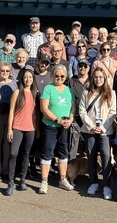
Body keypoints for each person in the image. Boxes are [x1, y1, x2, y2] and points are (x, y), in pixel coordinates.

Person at [79, 68, 117, 200]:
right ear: (92, 78)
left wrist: (102, 127)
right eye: (95, 77)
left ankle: (106, 185)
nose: (98, 79)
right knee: (91, 155)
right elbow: (82, 111)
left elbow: (113, 112)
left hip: (105, 130)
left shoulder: (111, 93)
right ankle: (93, 182)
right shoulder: (86, 93)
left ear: (105, 78)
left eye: (101, 77)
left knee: (106, 156)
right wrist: (91, 126)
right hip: (89, 129)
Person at [38, 64, 75, 194]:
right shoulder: (48, 88)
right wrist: (57, 120)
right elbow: (44, 108)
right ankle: (44, 181)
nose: (59, 78)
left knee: (63, 152)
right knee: (47, 152)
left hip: (64, 127)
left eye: (62, 76)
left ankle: (63, 179)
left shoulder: (69, 90)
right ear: (52, 76)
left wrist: (70, 119)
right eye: (57, 75)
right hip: (50, 126)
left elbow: (72, 107)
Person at [5, 68, 39, 196]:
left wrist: (38, 129)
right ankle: (10, 182)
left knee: (26, 155)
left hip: (31, 128)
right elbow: (12, 111)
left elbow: (37, 114)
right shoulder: (17, 92)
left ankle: (22, 180)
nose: (28, 79)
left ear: (33, 79)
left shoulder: (36, 93)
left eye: (30, 77)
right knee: (13, 154)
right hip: (17, 127)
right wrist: (9, 128)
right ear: (22, 78)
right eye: (26, 77)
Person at [68, 59, 90, 159]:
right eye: (80, 66)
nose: (82, 68)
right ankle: (70, 168)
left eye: (85, 66)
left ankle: (89, 168)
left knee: (89, 144)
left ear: (88, 68)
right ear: (77, 67)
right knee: (73, 143)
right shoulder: (71, 81)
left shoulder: (93, 80)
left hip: (89, 117)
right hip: (75, 115)